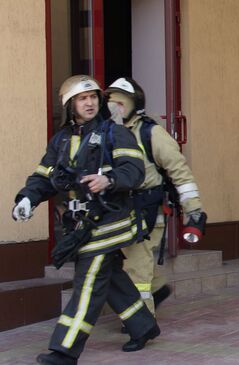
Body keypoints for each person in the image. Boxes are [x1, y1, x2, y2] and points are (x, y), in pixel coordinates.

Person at [12, 75, 159, 365]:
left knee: (88, 282)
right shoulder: (62, 140)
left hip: (110, 221)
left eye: (93, 97)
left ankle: (64, 351)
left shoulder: (114, 133)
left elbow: (134, 170)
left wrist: (109, 179)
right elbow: (44, 177)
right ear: (70, 106)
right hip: (81, 224)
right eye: (82, 98)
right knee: (112, 277)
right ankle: (144, 326)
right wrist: (27, 198)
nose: (89, 102)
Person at [104, 77, 205, 315]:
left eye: (120, 103)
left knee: (136, 268)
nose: (114, 108)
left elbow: (180, 171)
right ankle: (158, 288)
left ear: (134, 104)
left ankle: (141, 322)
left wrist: (194, 210)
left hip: (146, 212)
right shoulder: (109, 134)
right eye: (111, 103)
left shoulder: (152, 133)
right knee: (130, 261)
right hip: (118, 210)